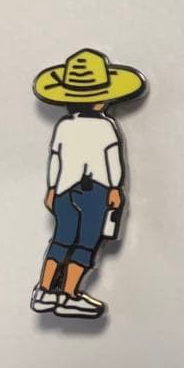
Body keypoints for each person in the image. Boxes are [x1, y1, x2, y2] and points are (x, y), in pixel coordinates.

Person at [30, 48, 147, 318]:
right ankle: (69, 294)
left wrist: (52, 188)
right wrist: (115, 189)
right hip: (96, 191)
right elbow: (112, 162)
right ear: (102, 98)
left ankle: (44, 291)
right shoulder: (106, 127)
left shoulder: (64, 125)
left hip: (64, 190)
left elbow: (56, 159)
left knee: (61, 240)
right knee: (86, 243)